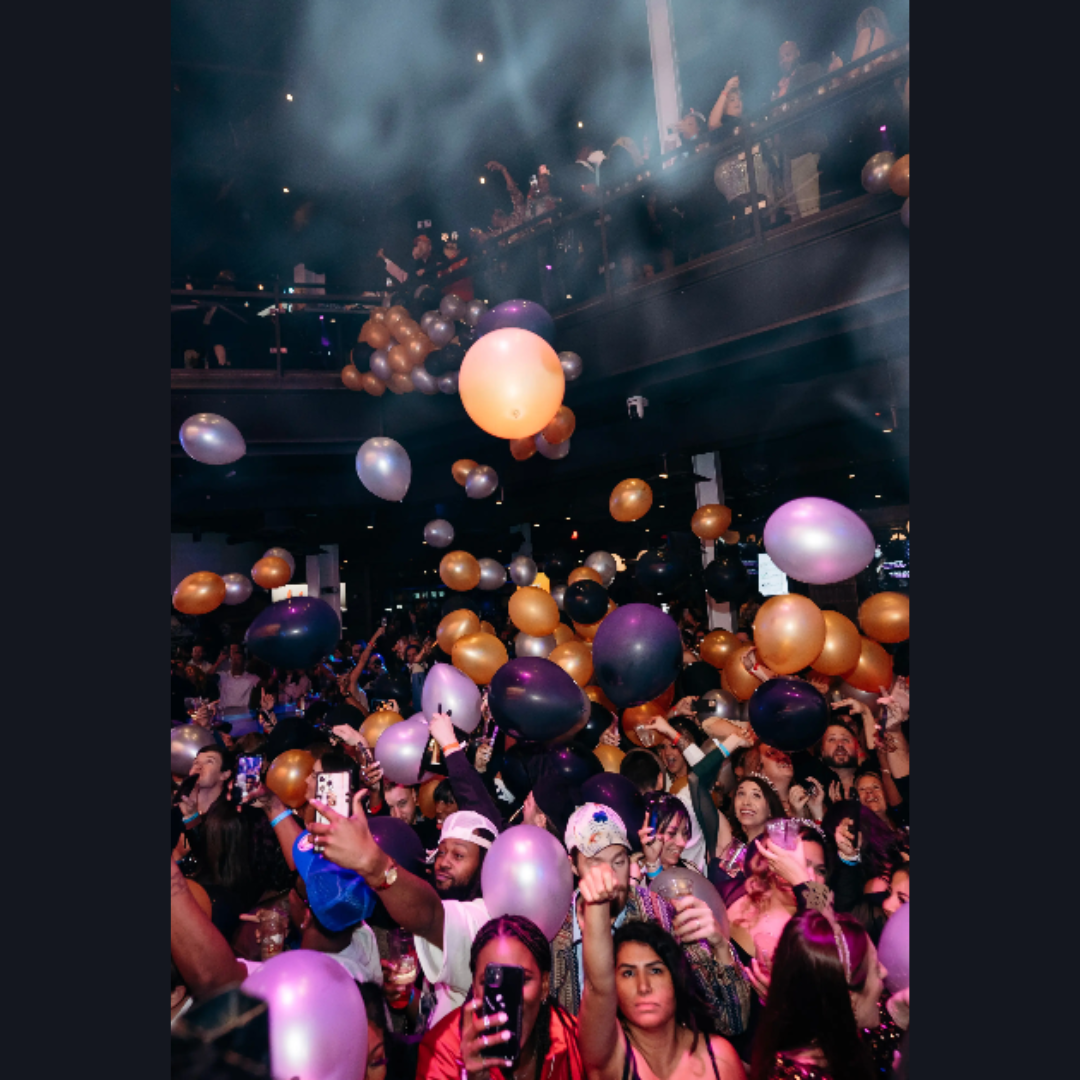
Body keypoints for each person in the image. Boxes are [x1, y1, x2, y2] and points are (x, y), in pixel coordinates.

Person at [552, 803, 750, 1037]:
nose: (610, 878)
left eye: (618, 862)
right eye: (596, 864)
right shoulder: (555, 926)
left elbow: (732, 1021)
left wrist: (720, 948)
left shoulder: (660, 915)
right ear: (573, 866)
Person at [308, 796, 499, 1024]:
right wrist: (407, 997)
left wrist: (373, 864)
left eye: (458, 855)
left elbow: (431, 917)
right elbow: (435, 1012)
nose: (443, 862)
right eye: (441, 852)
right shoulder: (449, 918)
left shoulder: (485, 922)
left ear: (485, 865)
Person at [578, 860, 747, 1080]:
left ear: (676, 978)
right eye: (628, 973)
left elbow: (735, 1019)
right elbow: (597, 985)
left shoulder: (720, 1058)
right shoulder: (610, 1056)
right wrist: (598, 903)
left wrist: (721, 945)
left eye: (655, 971)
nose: (643, 986)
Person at [417, 915, 584, 1080]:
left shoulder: (573, 1041)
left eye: (521, 979)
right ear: (474, 988)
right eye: (491, 982)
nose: (507, 997)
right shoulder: (443, 1051)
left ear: (544, 986)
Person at [749, 910, 886, 1080]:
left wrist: (897, 1016)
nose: (885, 972)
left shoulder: (830, 1041)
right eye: (876, 969)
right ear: (849, 1000)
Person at [385, 781, 441, 850]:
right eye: (391, 807)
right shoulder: (387, 835)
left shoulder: (435, 828)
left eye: (402, 803)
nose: (398, 815)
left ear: (414, 795)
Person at [212, 644, 262, 712]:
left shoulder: (251, 678)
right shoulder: (223, 676)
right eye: (233, 659)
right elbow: (207, 678)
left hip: (243, 713)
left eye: (239, 659)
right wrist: (218, 661)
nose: (235, 662)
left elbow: (266, 685)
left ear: (244, 662)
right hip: (224, 713)